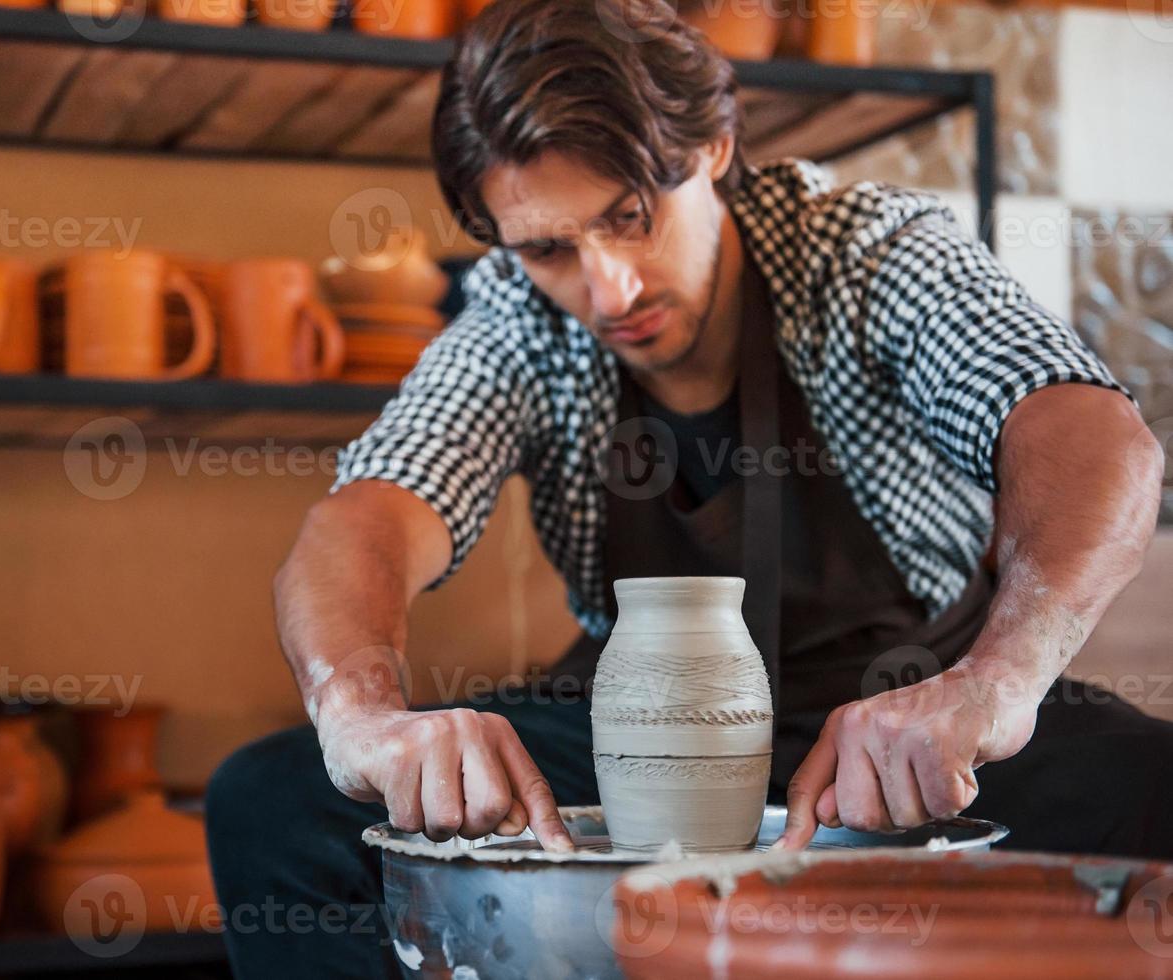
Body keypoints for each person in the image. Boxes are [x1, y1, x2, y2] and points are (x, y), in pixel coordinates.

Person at [206, 0, 1172, 975]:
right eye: (549, 249)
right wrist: (365, 717)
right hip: (642, 725)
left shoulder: (865, 251)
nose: (607, 289)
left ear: (711, 145)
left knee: (1152, 782)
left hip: (906, 712)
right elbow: (366, 517)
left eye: (629, 217)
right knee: (274, 798)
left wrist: (995, 681)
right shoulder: (516, 320)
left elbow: (1092, 436)